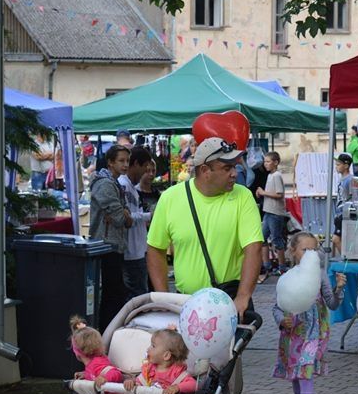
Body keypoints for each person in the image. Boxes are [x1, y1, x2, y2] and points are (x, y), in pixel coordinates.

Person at [146, 136, 263, 318]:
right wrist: (164, 298)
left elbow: (253, 248)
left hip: (228, 300)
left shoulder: (243, 196)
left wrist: (243, 296)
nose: (234, 173)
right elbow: (155, 248)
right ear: (205, 170)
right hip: (185, 302)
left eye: (234, 166)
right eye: (227, 168)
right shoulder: (170, 198)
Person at [272, 233, 346, 394]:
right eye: (305, 250)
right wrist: (280, 320)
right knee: (295, 377)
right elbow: (276, 307)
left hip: (314, 333)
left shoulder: (320, 273)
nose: (309, 254)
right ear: (292, 251)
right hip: (293, 334)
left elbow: (331, 303)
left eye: (313, 250)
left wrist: (339, 288)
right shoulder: (286, 277)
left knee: (305, 373)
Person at [89, 145, 134, 330]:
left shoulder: (114, 183)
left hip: (113, 244)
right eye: (121, 161)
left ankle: (109, 331)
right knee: (112, 293)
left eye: (127, 161)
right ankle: (107, 332)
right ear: (110, 162)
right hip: (106, 244)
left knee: (114, 292)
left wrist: (124, 214)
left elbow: (126, 217)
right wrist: (123, 214)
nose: (125, 165)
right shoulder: (105, 184)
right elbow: (118, 218)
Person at [118, 147, 155, 298]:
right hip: (131, 251)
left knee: (139, 294)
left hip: (138, 249)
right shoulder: (123, 185)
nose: (147, 171)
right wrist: (149, 216)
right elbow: (126, 217)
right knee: (137, 296)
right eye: (146, 166)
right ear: (137, 164)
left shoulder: (130, 186)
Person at [257, 151, 288, 278]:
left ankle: (282, 268)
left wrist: (263, 193)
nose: (266, 164)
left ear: (275, 163)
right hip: (268, 211)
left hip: (275, 212)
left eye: (268, 162)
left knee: (276, 239)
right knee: (262, 238)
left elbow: (279, 194)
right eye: (265, 162)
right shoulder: (270, 176)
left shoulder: (276, 176)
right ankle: (267, 265)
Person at [332, 152, 355, 256]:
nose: (336, 167)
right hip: (340, 214)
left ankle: (345, 260)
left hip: (345, 214)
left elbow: (353, 197)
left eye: (338, 164)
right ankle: (345, 258)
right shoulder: (342, 179)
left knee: (336, 239)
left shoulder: (350, 180)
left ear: (346, 166)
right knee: (341, 239)